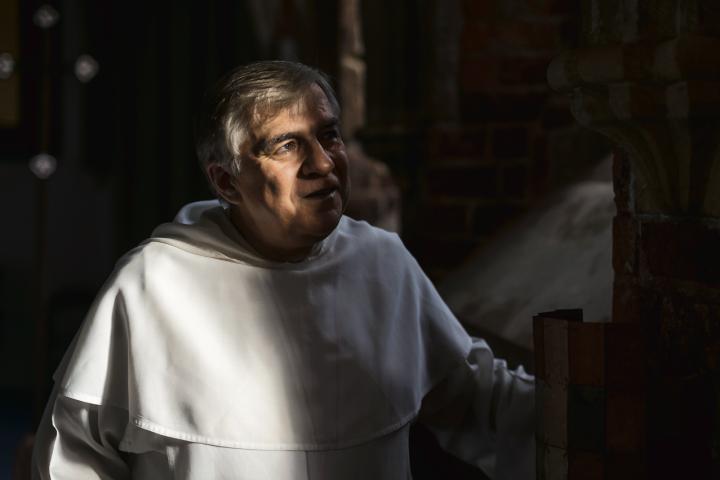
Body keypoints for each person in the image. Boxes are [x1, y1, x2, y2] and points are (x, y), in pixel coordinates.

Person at [32, 60, 535, 479]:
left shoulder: (384, 264)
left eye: (329, 135)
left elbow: (475, 399)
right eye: (287, 145)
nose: (323, 163)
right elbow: (72, 461)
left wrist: (575, 401)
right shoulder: (151, 285)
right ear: (226, 183)